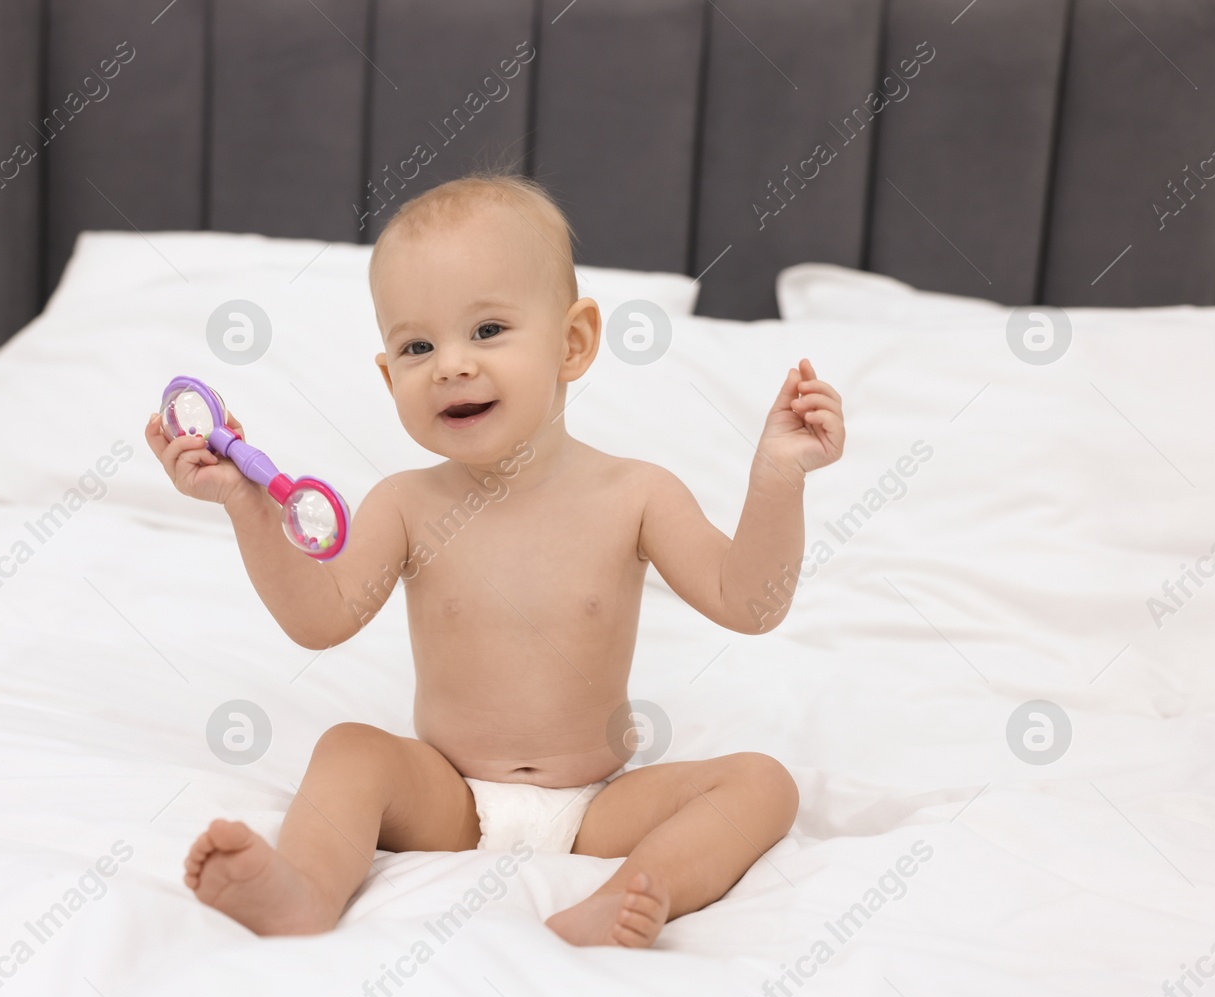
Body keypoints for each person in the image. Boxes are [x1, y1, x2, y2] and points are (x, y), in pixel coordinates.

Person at [144, 173, 845, 947]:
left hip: (596, 805)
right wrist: (247, 505)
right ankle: (303, 889)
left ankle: (636, 892)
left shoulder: (636, 493)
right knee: (349, 747)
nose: (449, 364)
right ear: (389, 377)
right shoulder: (405, 503)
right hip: (446, 800)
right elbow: (319, 620)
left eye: (486, 331)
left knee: (761, 783)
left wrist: (778, 479)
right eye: (417, 346)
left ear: (572, 343)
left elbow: (751, 602)